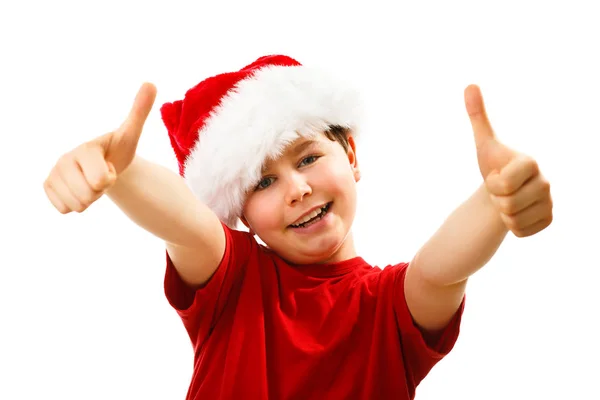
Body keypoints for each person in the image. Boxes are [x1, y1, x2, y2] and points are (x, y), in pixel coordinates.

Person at [43, 55, 553, 399]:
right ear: (238, 212)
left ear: (350, 153)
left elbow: (441, 271)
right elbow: (184, 223)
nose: (296, 189)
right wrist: (122, 175)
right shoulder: (232, 280)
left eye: (308, 157)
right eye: (263, 181)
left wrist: (494, 202)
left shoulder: (388, 307)